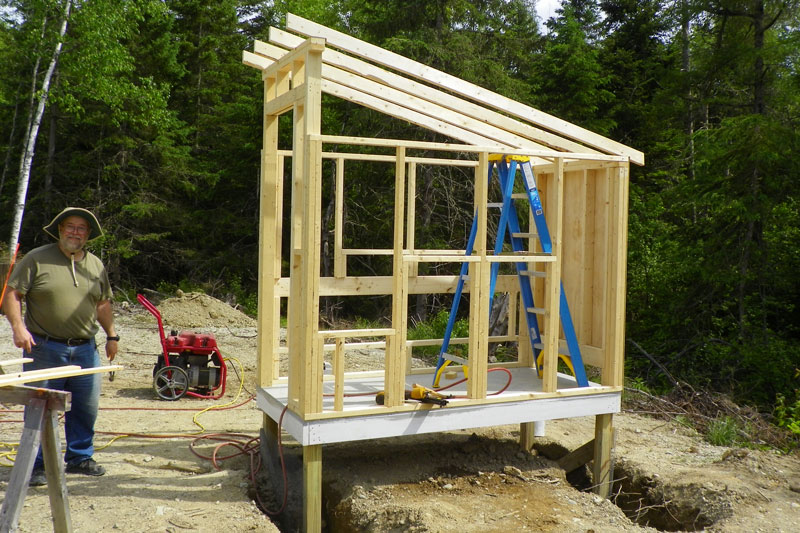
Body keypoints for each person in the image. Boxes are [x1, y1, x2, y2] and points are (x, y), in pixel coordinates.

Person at [3, 207, 118, 486]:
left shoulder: (95, 265)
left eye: (81, 228)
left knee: (84, 407)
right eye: (70, 226)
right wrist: (18, 327)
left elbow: (102, 303)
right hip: (45, 348)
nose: (75, 232)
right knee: (42, 407)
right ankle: (38, 464)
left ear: (88, 234)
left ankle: (79, 457)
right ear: (60, 229)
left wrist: (112, 336)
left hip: (85, 349)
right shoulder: (37, 259)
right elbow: (12, 294)